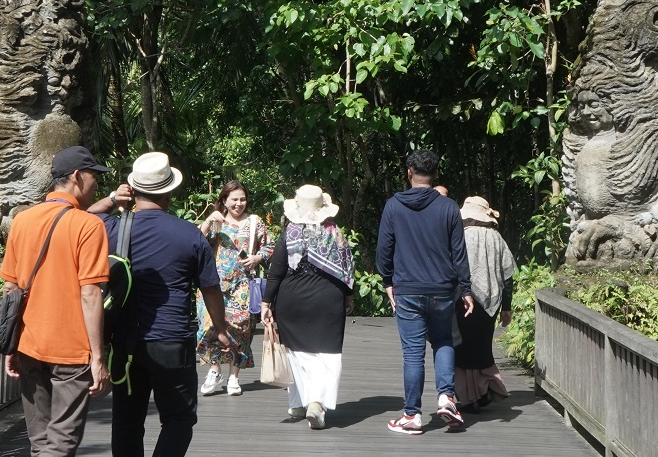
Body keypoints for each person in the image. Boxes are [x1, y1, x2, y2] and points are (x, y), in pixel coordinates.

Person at [0, 146, 113, 457]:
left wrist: (10, 346)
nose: (97, 183)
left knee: (42, 442)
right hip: (70, 350)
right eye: (94, 175)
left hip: (29, 346)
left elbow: (10, 289)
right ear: (76, 177)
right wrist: (98, 356)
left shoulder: (23, 220)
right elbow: (91, 293)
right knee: (63, 442)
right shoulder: (87, 225)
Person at [103, 151, 233, 457]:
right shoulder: (189, 234)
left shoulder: (111, 228)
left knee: (127, 421)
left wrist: (110, 199)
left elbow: (77, 217)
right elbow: (210, 288)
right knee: (179, 417)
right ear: (169, 192)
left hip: (124, 343)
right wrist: (220, 328)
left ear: (134, 189)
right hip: (172, 341)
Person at [375, 149, 473, 436]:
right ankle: (446, 398)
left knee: (413, 352)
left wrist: (388, 281)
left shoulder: (394, 206)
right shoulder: (449, 207)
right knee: (443, 340)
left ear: (409, 173)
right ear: (436, 174)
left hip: (407, 289)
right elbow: (459, 252)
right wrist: (466, 289)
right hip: (442, 289)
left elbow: (384, 249)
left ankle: (412, 415)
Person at [263, 185, 353, 429]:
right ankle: (316, 403)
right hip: (328, 299)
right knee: (327, 355)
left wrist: (266, 302)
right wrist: (348, 296)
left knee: (297, 353)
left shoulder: (289, 233)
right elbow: (346, 271)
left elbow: (276, 271)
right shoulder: (335, 233)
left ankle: (298, 404)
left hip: (291, 299)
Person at [197, 180, 271, 396]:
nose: (239, 204)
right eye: (234, 199)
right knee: (209, 326)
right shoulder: (216, 221)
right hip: (213, 285)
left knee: (240, 329)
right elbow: (196, 241)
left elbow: (269, 246)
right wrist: (209, 220)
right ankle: (214, 370)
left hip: (242, 284)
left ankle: (233, 376)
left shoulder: (255, 222)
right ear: (224, 200)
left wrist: (257, 257)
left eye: (242, 199)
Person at [455, 195, 516, 410]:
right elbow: (508, 275)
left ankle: (470, 396)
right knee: (482, 347)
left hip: (463, 299)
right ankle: (483, 391)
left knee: (462, 348)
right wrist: (506, 307)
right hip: (491, 302)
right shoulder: (497, 238)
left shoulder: (460, 235)